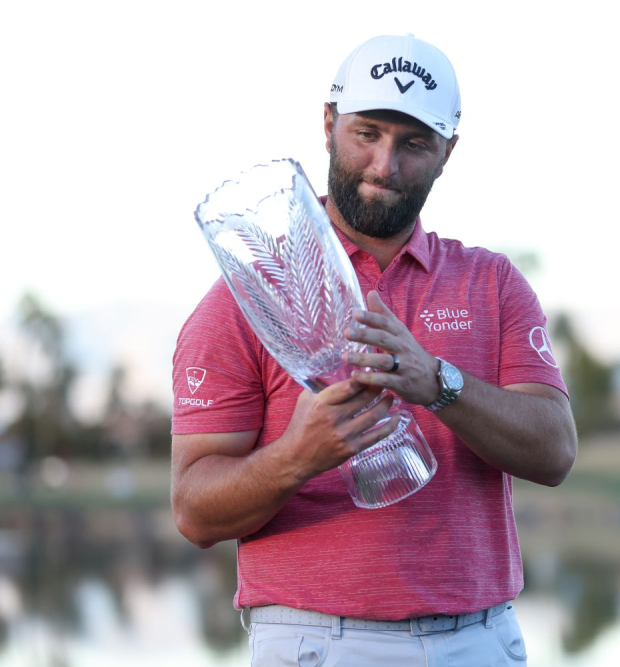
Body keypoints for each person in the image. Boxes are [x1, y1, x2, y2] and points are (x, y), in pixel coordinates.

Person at [171, 34, 577, 666]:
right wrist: (295, 458)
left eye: (414, 143)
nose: (385, 165)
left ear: (448, 153)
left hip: (478, 639)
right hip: (314, 641)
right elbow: (194, 512)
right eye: (368, 133)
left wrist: (438, 381)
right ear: (329, 123)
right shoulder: (240, 300)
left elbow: (555, 451)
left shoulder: (491, 283)